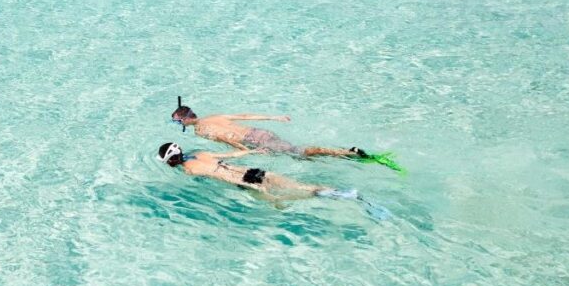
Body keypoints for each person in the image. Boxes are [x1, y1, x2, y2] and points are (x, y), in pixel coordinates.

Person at [170, 97, 405, 173]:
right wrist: (275, 118)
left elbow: (227, 139)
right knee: (299, 154)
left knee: (301, 152)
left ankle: (351, 153)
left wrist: (248, 151)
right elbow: (245, 116)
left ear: (184, 120)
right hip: (260, 131)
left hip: (254, 140)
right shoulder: (213, 116)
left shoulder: (202, 130)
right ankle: (346, 154)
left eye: (177, 121)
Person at [156, 142, 382, 214]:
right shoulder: (201, 154)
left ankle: (339, 197)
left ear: (172, 160)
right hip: (255, 170)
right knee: (301, 186)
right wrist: (253, 151)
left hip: (246, 182)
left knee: (282, 203)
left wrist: (257, 191)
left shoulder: (190, 169)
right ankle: (344, 193)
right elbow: (233, 154)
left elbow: (222, 178)